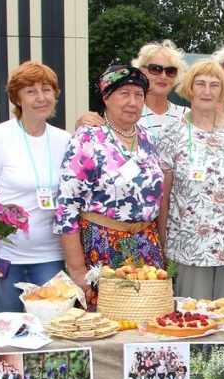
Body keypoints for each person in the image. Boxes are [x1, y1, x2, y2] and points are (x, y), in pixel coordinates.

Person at [0, 61, 72, 312]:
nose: (41, 98)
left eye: (46, 90)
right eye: (31, 91)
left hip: (50, 255)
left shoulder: (65, 140)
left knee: (52, 327)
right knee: (5, 327)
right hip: (6, 257)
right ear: (17, 98)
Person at [54, 65, 165, 304]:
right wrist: (77, 269)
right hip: (101, 247)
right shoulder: (89, 137)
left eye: (138, 95)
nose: (132, 102)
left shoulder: (148, 138)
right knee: (107, 316)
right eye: (124, 94)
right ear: (106, 98)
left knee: (148, 315)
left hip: (146, 246)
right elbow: (66, 207)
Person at [156, 59, 224, 299]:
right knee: (193, 312)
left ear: (222, 91)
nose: (207, 91)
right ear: (190, 88)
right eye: (201, 84)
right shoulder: (172, 133)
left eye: (214, 85)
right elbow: (164, 194)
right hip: (189, 243)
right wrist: (162, 240)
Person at [135, 40, 189, 142]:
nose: (163, 76)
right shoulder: (129, 112)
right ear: (142, 71)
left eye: (170, 71)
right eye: (155, 69)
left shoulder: (186, 115)